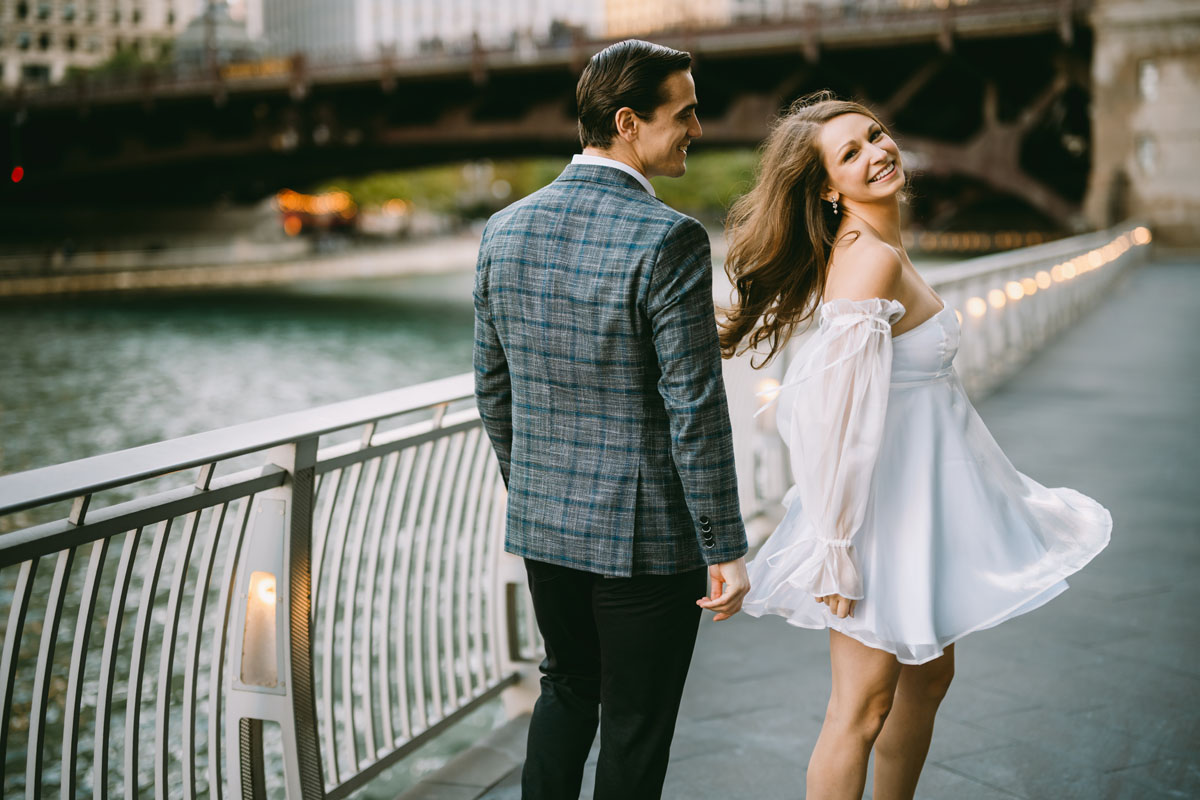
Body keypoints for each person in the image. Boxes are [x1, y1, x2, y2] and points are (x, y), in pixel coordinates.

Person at [719, 92, 1112, 800]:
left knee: (928, 676)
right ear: (827, 189)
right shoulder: (867, 261)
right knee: (860, 708)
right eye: (850, 154)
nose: (877, 153)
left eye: (874, 135)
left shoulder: (881, 249)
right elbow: (828, 412)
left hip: (919, 501)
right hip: (876, 517)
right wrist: (836, 547)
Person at [473, 39, 750, 800]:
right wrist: (723, 541)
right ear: (629, 122)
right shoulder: (670, 238)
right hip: (648, 536)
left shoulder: (504, 230)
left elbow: (493, 388)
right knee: (635, 721)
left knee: (565, 687)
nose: (698, 127)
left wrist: (533, 484)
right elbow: (693, 406)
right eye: (684, 113)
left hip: (545, 523)